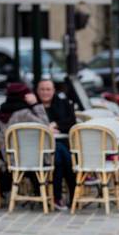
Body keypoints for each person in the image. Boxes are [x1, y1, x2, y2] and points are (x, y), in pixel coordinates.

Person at [36, 79, 76, 210]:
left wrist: (56, 124)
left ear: (53, 91)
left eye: (48, 89)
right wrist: (45, 128)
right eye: (42, 89)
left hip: (60, 145)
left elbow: (72, 122)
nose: (45, 92)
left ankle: (57, 197)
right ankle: (72, 194)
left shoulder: (62, 104)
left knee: (59, 155)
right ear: (37, 91)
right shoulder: (33, 106)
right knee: (63, 155)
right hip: (39, 148)